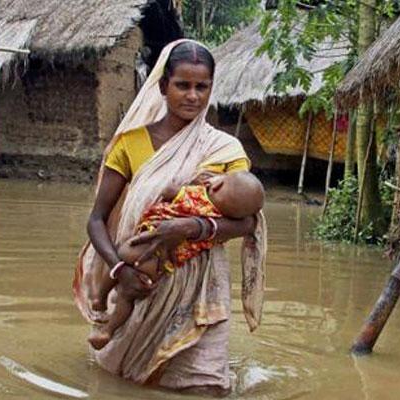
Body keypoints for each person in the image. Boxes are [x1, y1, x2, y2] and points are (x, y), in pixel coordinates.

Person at [72, 39, 267, 396]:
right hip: (139, 275)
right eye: (183, 85)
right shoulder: (129, 144)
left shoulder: (224, 150)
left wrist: (189, 227)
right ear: (163, 86)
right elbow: (96, 220)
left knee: (206, 386)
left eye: (201, 87)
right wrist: (120, 271)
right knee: (124, 381)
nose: (192, 96)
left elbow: (248, 222)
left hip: (202, 288)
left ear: (211, 88)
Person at [87, 171, 265, 350]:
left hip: (139, 244)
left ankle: (99, 297)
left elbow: (167, 191)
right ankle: (108, 331)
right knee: (127, 296)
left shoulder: (194, 194)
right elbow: (248, 225)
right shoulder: (218, 225)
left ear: (217, 185)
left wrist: (192, 184)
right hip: (158, 266)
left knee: (119, 256)